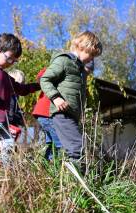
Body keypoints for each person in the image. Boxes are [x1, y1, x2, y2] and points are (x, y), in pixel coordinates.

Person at [40, 30, 102, 167]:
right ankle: (76, 180)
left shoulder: (79, 69)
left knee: (70, 147)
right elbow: (45, 79)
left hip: (71, 113)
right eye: (91, 55)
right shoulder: (64, 60)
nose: (92, 59)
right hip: (62, 112)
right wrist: (56, 98)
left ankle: (64, 176)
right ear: (81, 46)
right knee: (76, 147)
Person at [0, 33, 40, 166]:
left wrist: (40, 85)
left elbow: (22, 89)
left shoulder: (6, 76)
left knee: (8, 151)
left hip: (3, 122)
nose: (11, 63)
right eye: (9, 59)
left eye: (14, 61)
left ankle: (6, 176)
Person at [32, 67, 62, 161]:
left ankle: (48, 164)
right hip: (47, 114)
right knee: (60, 142)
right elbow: (41, 76)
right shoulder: (54, 73)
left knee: (51, 142)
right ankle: (61, 166)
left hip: (43, 114)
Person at [8, 69, 25, 141]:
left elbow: (15, 109)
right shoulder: (7, 94)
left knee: (11, 144)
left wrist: (19, 114)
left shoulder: (16, 95)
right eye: (18, 83)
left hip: (13, 123)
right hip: (6, 123)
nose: (20, 85)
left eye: (22, 83)